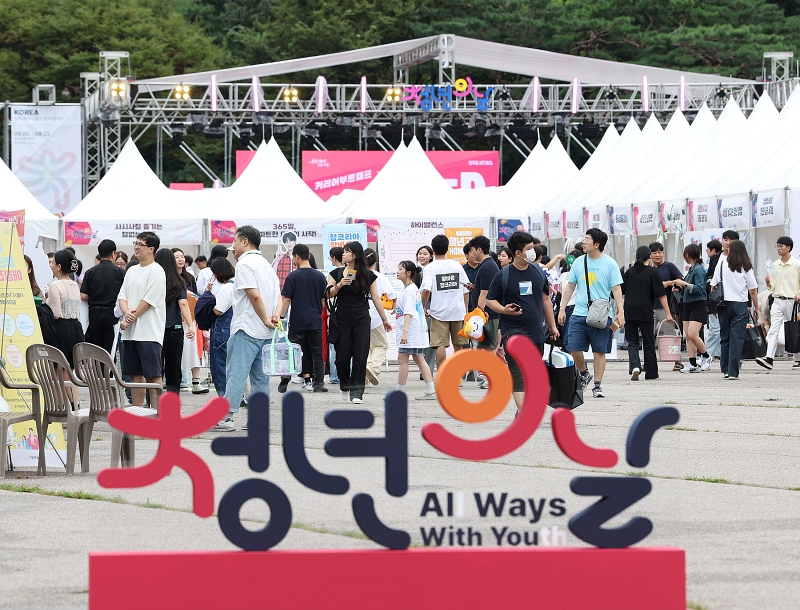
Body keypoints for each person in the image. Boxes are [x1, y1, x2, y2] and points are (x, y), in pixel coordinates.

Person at [212, 225, 280, 432]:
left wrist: (264, 319)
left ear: (244, 242)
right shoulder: (268, 266)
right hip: (266, 330)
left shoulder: (244, 264)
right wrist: (273, 318)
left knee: (236, 374)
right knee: (261, 378)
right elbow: (279, 297)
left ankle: (226, 417)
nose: (232, 247)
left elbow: (254, 295)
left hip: (247, 327)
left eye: (234, 241)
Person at [486, 231, 559, 416]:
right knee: (517, 371)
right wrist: (503, 310)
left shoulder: (538, 272)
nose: (534, 251)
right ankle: (523, 411)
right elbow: (490, 300)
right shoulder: (504, 275)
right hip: (512, 331)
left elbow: (545, 300)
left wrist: (552, 326)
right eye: (529, 249)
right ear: (518, 253)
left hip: (536, 331)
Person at [558, 228, 625, 399]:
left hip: (602, 313)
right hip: (579, 312)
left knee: (599, 351)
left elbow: (616, 288)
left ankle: (597, 385)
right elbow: (570, 286)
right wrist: (562, 309)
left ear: (596, 244)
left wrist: (620, 311)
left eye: (587, 239)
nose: (583, 242)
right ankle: (584, 373)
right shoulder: (579, 262)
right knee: (572, 346)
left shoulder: (610, 263)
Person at [326, 241, 392, 404]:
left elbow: (376, 298)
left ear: (354, 255)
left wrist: (385, 319)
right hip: (342, 316)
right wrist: (340, 285)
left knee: (360, 354)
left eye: (346, 252)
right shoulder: (336, 273)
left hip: (361, 316)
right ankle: (345, 382)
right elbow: (327, 294)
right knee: (342, 357)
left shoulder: (368, 275)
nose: (343, 254)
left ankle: (357, 391)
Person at [118, 232, 167, 407]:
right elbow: (122, 296)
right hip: (130, 333)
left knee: (153, 375)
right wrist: (126, 314)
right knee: (135, 375)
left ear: (151, 249)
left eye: (140, 244)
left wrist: (129, 318)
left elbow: (148, 301)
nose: (136, 247)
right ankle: (138, 413)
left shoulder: (157, 270)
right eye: (135, 243)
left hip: (149, 332)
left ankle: (158, 413)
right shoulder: (131, 270)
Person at [272, 243, 329, 393]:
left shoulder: (293, 276)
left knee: (292, 351)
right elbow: (324, 299)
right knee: (317, 353)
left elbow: (287, 300)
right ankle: (318, 384)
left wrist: (281, 317)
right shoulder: (320, 276)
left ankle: (285, 379)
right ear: (308, 256)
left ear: (297, 256)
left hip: (297, 321)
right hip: (315, 321)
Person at [420, 235, 470, 370]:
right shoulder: (457, 265)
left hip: (438, 312)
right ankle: (458, 375)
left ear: (433, 250)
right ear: (447, 248)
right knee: (458, 344)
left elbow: (425, 291)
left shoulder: (430, 268)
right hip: (458, 311)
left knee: (440, 345)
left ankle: (443, 376)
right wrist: (465, 310)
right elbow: (466, 289)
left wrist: (422, 307)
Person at [623, 246, 673, 381]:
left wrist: (619, 311)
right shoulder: (652, 272)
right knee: (648, 342)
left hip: (629, 311)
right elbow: (661, 294)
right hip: (645, 311)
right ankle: (651, 373)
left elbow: (620, 292)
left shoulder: (629, 272)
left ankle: (635, 366)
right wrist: (668, 313)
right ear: (649, 257)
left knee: (632, 342)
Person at [711, 239, 759, 380]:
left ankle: (725, 369)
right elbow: (753, 290)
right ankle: (733, 371)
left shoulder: (721, 264)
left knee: (724, 336)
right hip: (739, 304)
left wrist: (714, 306)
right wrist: (757, 307)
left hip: (723, 304)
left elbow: (713, 285)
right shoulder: (746, 267)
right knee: (737, 338)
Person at [756, 236, 800, 371]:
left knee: (794, 330)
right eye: (777, 246)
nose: (779, 249)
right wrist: (769, 282)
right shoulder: (774, 265)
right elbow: (772, 287)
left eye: (781, 246)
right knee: (774, 329)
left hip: (792, 301)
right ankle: (769, 358)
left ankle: (797, 358)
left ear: (789, 248)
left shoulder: (797, 265)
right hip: (777, 300)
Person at [395, 261, 436, 400]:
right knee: (419, 358)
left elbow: (408, 312)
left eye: (400, 269)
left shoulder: (410, 290)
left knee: (402, 359)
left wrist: (405, 332)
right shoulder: (411, 289)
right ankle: (430, 389)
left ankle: (399, 392)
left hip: (411, 330)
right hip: (415, 330)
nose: (397, 271)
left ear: (408, 273)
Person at [154, 249, 194, 394]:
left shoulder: (153, 279)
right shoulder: (178, 281)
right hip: (174, 329)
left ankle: (153, 401)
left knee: (155, 367)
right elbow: (183, 304)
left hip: (154, 329)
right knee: (174, 367)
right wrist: (190, 326)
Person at [80, 239, 125, 356]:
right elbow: (125, 295)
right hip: (112, 314)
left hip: (94, 314)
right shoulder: (120, 272)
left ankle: (98, 372)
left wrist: (95, 297)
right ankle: (108, 373)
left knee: (96, 349)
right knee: (110, 349)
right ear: (113, 254)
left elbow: (83, 296)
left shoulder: (90, 272)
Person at [672, 244, 712, 373]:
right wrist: (679, 288)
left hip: (698, 304)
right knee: (688, 336)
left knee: (693, 334)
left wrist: (684, 284)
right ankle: (692, 363)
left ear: (687, 255)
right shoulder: (692, 269)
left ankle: (706, 356)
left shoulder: (699, 270)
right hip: (687, 304)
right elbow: (689, 287)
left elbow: (700, 289)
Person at [172, 247, 206, 394]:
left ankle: (196, 382)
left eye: (181, 256)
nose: (180, 259)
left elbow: (195, 296)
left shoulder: (189, 277)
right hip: (175, 318)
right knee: (178, 351)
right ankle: (179, 381)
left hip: (190, 317)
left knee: (193, 349)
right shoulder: (169, 277)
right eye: (177, 257)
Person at [469, 236, 500, 389]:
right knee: (486, 346)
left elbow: (485, 293)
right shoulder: (486, 265)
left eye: (472, 250)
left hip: (489, 314)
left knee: (490, 347)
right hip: (486, 313)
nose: (471, 254)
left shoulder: (488, 267)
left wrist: (479, 313)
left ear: (479, 250)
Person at [46, 250, 85, 368]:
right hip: (76, 328)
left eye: (53, 263)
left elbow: (56, 313)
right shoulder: (74, 285)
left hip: (60, 330)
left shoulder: (55, 285)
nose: (51, 266)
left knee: (59, 373)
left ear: (59, 266)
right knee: (71, 372)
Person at [649, 242, 684, 368]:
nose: (657, 255)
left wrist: (668, 283)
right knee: (648, 336)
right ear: (650, 255)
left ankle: (677, 361)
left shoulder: (669, 266)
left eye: (660, 252)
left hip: (666, 307)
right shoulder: (648, 269)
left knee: (670, 334)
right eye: (654, 253)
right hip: (650, 307)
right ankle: (648, 362)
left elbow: (681, 280)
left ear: (663, 253)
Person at [364, 248, 397, 386]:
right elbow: (392, 295)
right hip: (376, 315)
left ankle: (363, 377)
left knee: (363, 347)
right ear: (376, 261)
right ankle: (372, 367)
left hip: (358, 314)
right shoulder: (380, 276)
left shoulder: (355, 274)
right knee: (381, 345)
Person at [208, 258, 235, 397]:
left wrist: (207, 300)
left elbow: (218, 310)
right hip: (233, 329)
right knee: (231, 367)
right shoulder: (238, 284)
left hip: (222, 331)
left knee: (219, 367)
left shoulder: (227, 288)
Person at [416, 245, 438, 378]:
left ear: (431, 256)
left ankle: (427, 369)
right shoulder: (415, 271)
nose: (421, 256)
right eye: (419, 254)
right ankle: (424, 368)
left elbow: (428, 291)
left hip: (430, 306)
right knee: (421, 338)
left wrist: (424, 307)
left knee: (430, 339)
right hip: (417, 306)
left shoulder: (433, 270)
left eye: (424, 254)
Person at [558, 250, 583, 354]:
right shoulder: (564, 275)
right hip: (564, 309)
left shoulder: (582, 275)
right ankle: (570, 367)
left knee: (570, 340)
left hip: (575, 308)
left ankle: (578, 367)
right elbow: (561, 292)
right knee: (564, 339)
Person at [327, 246, 346, 385]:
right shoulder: (350, 272)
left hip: (335, 312)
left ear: (334, 257)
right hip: (346, 312)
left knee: (335, 344)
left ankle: (335, 376)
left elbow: (328, 294)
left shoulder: (332, 274)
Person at [705, 240, 723, 361]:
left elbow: (711, 282)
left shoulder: (716, 259)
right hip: (723, 300)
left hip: (716, 301)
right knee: (719, 329)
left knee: (715, 329)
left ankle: (707, 354)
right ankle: (716, 353)